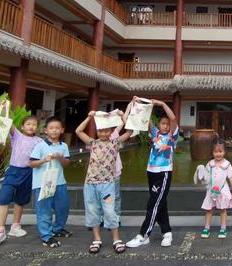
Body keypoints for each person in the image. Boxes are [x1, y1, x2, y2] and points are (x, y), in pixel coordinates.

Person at [75, 110, 133, 253]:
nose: (103, 134)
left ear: (111, 131)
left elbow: (130, 131)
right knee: (93, 210)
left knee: (109, 211)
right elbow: (78, 131)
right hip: (90, 184)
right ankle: (96, 239)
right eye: (101, 131)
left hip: (107, 184)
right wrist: (89, 117)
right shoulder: (92, 143)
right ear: (97, 132)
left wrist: (121, 116)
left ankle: (116, 239)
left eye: (107, 131)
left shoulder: (115, 143)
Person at [126, 98, 178, 248]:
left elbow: (173, 118)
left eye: (167, 125)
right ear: (159, 125)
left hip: (164, 173)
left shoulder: (172, 137)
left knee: (153, 205)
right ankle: (167, 232)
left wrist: (162, 104)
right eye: (163, 123)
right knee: (160, 203)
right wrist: (139, 104)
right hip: (151, 172)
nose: (166, 126)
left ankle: (143, 235)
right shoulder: (154, 133)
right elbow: (146, 119)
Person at [0, 116, 43, 249]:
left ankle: (15, 226)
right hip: (13, 171)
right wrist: (5, 107)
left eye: (34, 125)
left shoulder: (39, 141)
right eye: (28, 124)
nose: (31, 127)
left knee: (20, 201)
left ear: (38, 128)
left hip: (28, 173)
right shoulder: (17, 136)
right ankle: (0, 231)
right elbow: (7, 123)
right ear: (22, 127)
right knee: (4, 199)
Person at [29, 117, 71, 248]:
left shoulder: (63, 146)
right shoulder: (40, 145)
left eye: (57, 128)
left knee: (63, 208)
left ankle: (57, 229)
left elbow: (67, 164)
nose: (54, 130)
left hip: (59, 182)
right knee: (44, 210)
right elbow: (31, 163)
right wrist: (43, 160)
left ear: (62, 130)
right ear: (46, 131)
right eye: (51, 128)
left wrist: (60, 157)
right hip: (43, 184)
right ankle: (46, 236)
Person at [200, 139, 232, 239]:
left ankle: (223, 228)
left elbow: (231, 178)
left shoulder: (227, 164)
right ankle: (206, 227)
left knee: (223, 210)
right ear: (212, 152)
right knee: (209, 209)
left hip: (222, 191)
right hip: (211, 190)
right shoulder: (210, 164)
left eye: (220, 151)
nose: (218, 154)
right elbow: (206, 177)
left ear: (224, 152)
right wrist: (201, 176)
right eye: (215, 152)